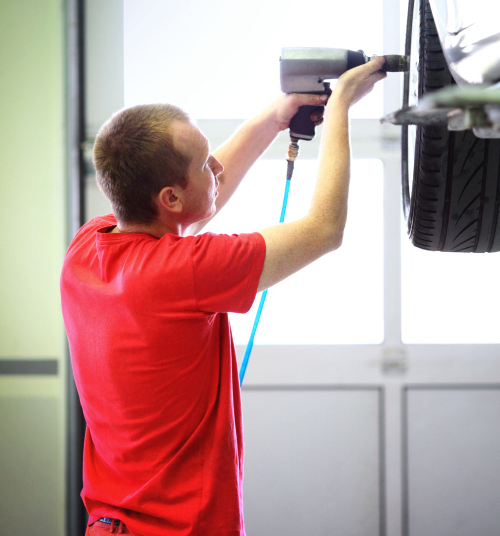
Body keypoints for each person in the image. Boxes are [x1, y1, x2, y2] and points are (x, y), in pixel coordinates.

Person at [61, 57, 386, 536]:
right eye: (204, 163)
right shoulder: (182, 272)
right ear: (170, 198)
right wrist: (340, 109)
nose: (216, 166)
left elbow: (199, 198)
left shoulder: (88, 246)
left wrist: (273, 118)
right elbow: (324, 230)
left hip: (110, 525)